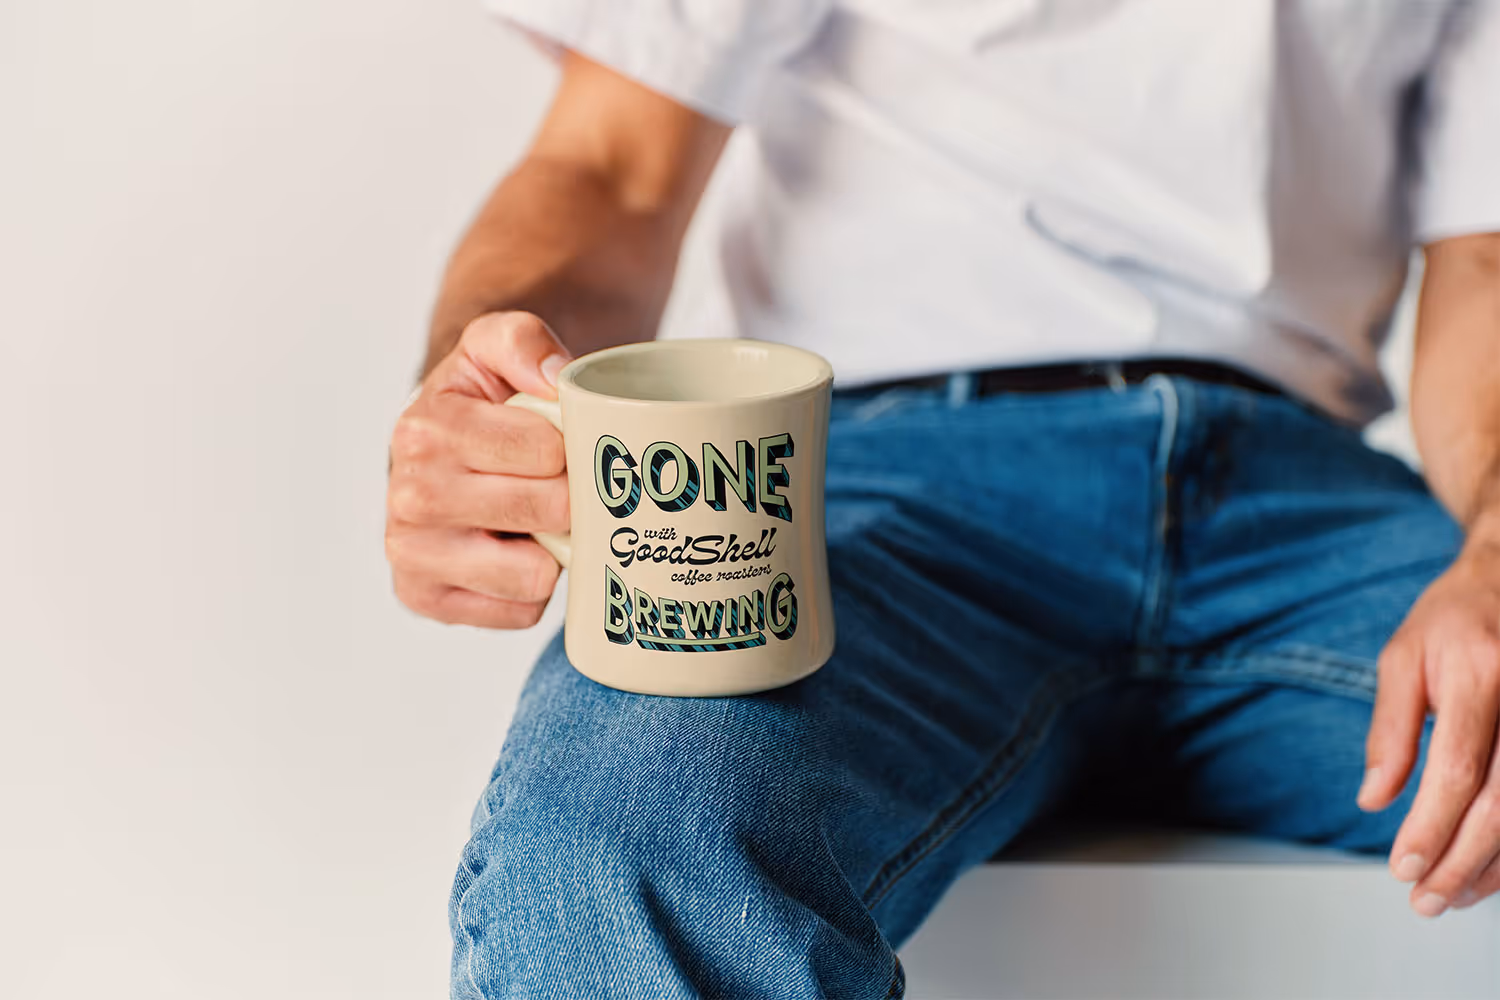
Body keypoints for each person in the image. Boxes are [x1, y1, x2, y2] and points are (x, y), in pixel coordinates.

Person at [384, 2, 1500, 995]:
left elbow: (1485, 266)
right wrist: (490, 402)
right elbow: (611, 166)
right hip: (874, 499)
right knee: (622, 841)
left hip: (1300, 508)